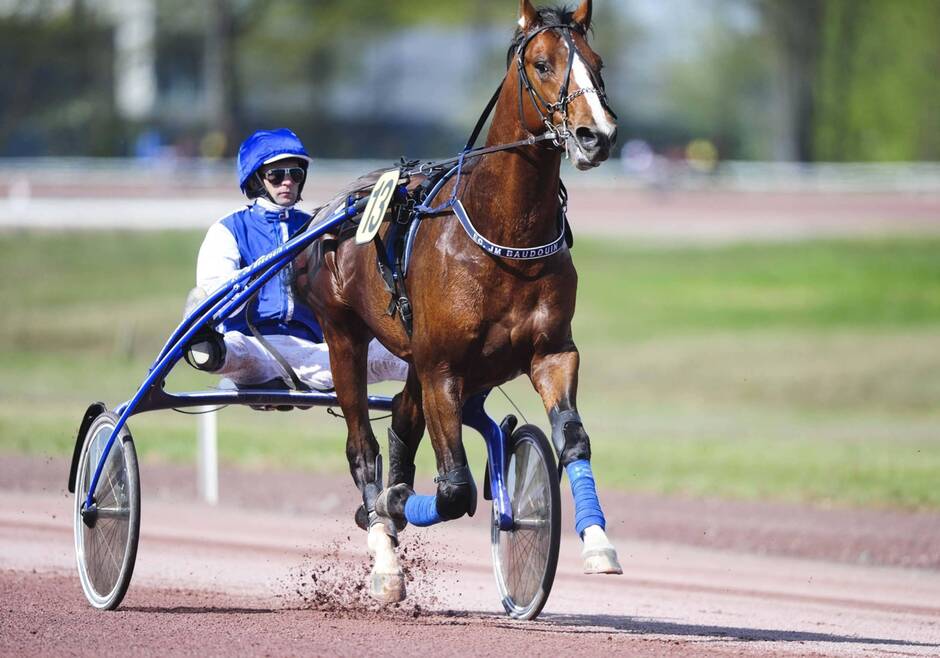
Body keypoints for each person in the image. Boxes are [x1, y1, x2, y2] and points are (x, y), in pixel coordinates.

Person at [187, 128, 407, 391]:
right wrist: (255, 277)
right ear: (257, 179)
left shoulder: (318, 227)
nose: (287, 182)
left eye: (295, 174)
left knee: (400, 358)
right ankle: (203, 344)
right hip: (252, 346)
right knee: (233, 349)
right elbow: (220, 303)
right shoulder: (228, 230)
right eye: (276, 175)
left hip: (314, 354)